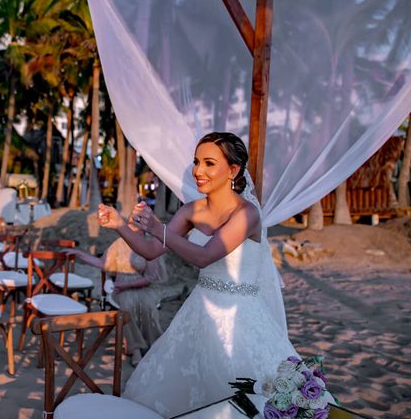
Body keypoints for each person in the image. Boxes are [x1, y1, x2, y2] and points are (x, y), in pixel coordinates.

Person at [98, 132, 297, 418]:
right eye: (196, 162)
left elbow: (205, 256)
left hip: (240, 317)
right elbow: (153, 249)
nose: (198, 171)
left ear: (233, 170)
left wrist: (158, 227)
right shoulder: (191, 210)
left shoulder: (246, 214)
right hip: (198, 312)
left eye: (208, 163)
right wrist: (119, 224)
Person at [64, 219, 167, 366]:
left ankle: (154, 343)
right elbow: (102, 263)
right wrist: (79, 254)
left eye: (136, 227)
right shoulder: (119, 244)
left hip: (141, 286)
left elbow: (149, 278)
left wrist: (128, 285)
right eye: (130, 226)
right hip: (121, 288)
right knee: (128, 305)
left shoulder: (150, 246)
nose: (131, 230)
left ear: (143, 229)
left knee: (147, 306)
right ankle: (136, 348)